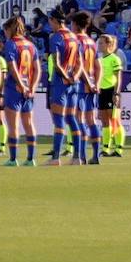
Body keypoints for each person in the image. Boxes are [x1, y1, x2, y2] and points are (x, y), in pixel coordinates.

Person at [1, 16, 41, 166]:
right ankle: (31, 158)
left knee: (13, 125)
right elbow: (37, 69)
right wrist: (33, 87)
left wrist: (21, 85)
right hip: (29, 89)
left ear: (9, 29)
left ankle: (13, 159)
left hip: (14, 88)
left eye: (5, 31)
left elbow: (12, 67)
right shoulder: (31, 45)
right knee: (29, 123)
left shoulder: (11, 44)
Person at [45, 11, 80, 166]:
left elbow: (57, 63)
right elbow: (80, 63)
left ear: (54, 21)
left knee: (59, 120)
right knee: (72, 119)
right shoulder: (73, 37)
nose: (49, 25)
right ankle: (77, 157)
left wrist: (66, 77)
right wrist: (74, 77)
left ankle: (55, 158)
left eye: (50, 22)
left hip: (61, 83)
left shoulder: (56, 37)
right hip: (74, 83)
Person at [71, 11, 102, 164]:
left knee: (79, 120)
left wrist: (88, 83)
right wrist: (96, 83)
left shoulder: (75, 41)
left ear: (75, 24)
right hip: (91, 85)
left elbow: (79, 65)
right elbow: (98, 66)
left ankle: (80, 155)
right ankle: (96, 155)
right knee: (91, 120)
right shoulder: (91, 42)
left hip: (80, 85)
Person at [96, 33, 124, 157]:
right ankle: (106, 148)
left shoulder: (114, 58)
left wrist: (116, 93)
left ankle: (118, 149)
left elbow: (118, 77)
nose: (99, 45)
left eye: (101, 43)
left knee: (115, 121)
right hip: (102, 91)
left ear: (109, 44)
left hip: (111, 91)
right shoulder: (100, 59)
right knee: (104, 121)